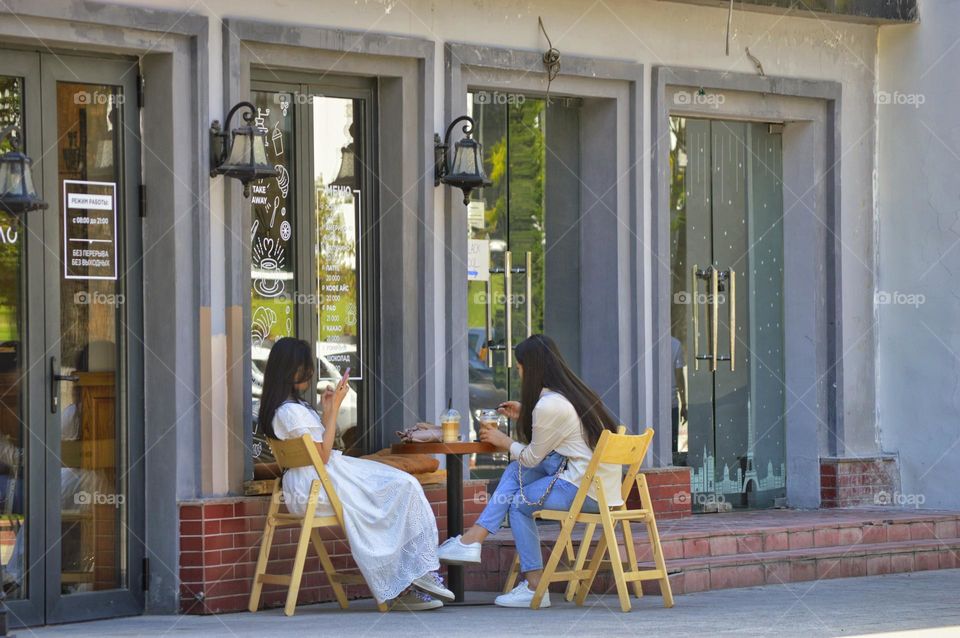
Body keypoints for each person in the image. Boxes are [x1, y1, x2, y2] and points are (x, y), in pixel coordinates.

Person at [257, 337, 453, 611]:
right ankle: (411, 577)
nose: (310, 374)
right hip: (321, 484)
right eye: (305, 368)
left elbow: (318, 450)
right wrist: (335, 408)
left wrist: (326, 412)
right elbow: (323, 455)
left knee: (397, 487)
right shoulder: (291, 411)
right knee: (402, 487)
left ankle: (411, 576)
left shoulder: (286, 409)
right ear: (292, 371)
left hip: (312, 483)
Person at [437, 334, 622, 608]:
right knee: (515, 472)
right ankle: (472, 540)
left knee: (518, 503)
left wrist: (504, 441)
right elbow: (554, 439)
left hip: (585, 491)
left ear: (531, 367)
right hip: (600, 487)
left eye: (520, 367)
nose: (519, 373)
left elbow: (532, 457)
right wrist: (526, 412)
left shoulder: (549, 405)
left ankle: (533, 586)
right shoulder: (572, 395)